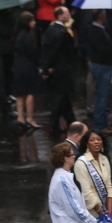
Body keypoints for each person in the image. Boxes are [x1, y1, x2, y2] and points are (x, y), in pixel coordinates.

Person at [40, 7, 77, 138]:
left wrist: (46, 67)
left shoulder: (50, 30)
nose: (69, 15)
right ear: (60, 16)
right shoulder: (62, 32)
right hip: (61, 70)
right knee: (60, 96)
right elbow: (68, 50)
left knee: (63, 97)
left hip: (56, 69)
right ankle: (54, 124)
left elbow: (46, 50)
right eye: (67, 13)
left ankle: (71, 121)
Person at [88, 10, 112, 135]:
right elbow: (103, 50)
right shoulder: (96, 31)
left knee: (102, 96)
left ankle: (103, 123)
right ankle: (100, 125)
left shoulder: (99, 29)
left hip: (102, 66)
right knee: (102, 96)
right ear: (102, 16)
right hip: (102, 66)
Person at [12, 11, 42, 133]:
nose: (34, 22)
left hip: (18, 66)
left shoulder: (17, 35)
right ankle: (29, 118)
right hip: (28, 66)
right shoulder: (27, 36)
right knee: (30, 92)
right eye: (32, 20)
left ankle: (20, 117)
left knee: (20, 93)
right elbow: (32, 52)